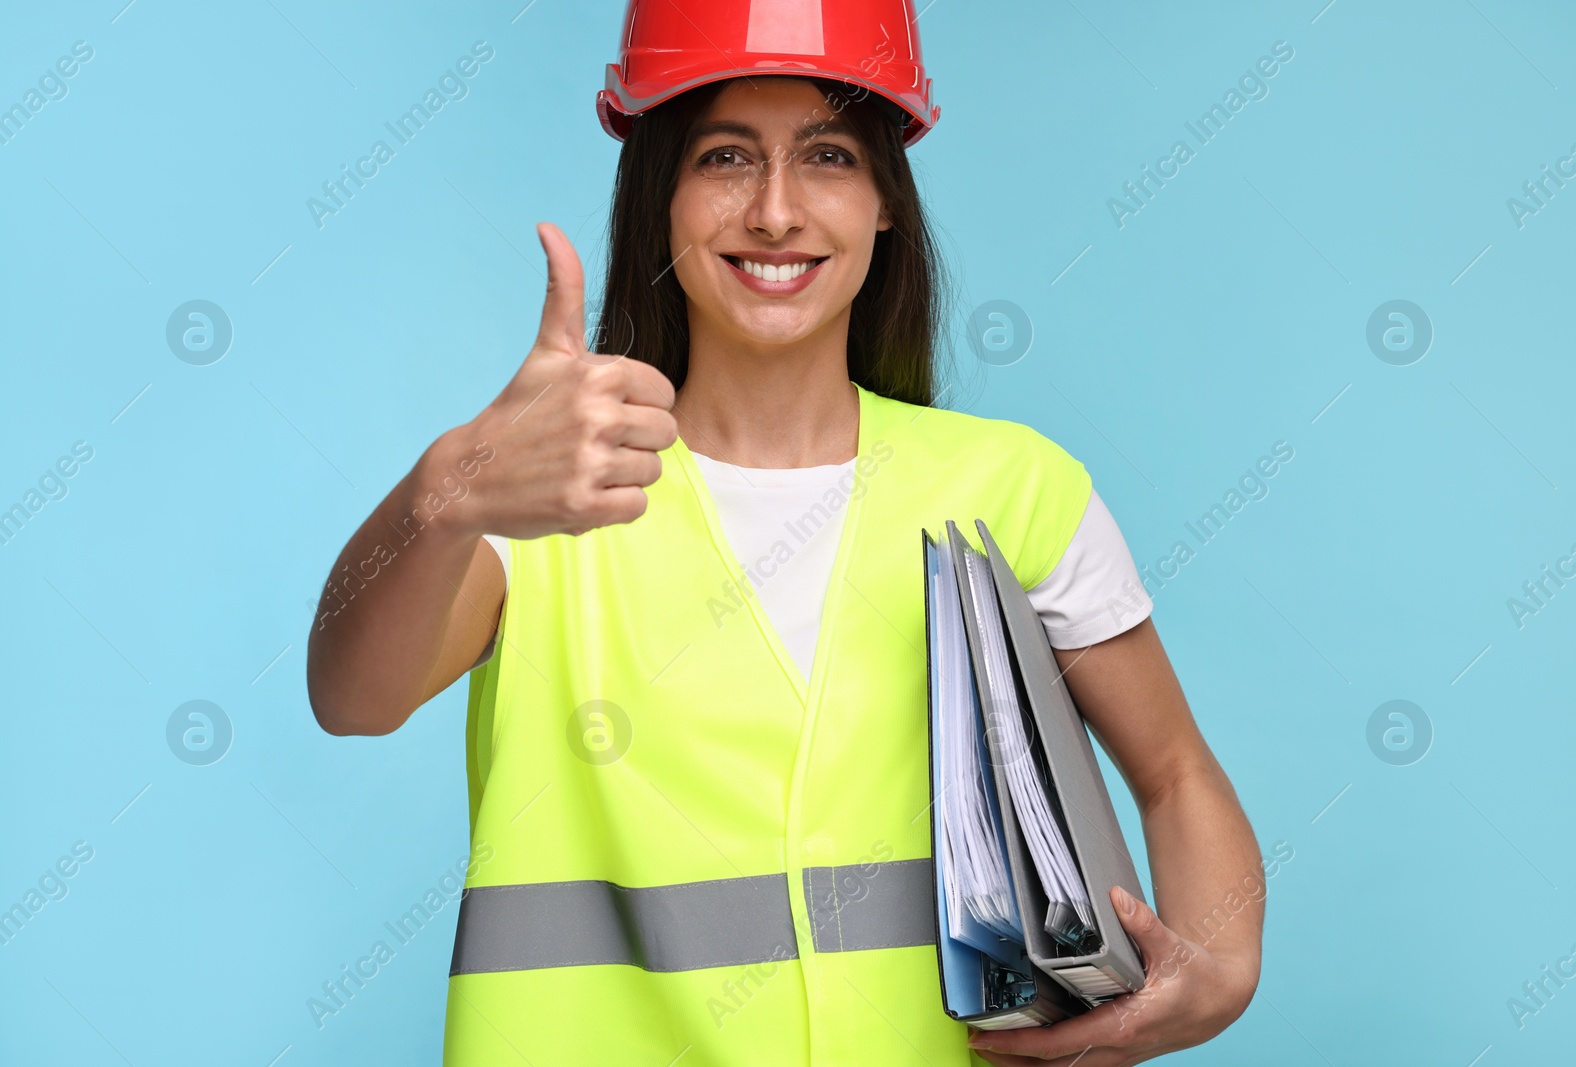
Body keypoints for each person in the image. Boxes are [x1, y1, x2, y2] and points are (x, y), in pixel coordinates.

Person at [305, 1, 1264, 1063]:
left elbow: (1173, 770)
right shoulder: (548, 490)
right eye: (723, 156)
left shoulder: (1012, 488)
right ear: (658, 195)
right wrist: (449, 487)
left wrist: (1219, 967)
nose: (775, 211)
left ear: (885, 201)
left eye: (827, 156)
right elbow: (353, 698)